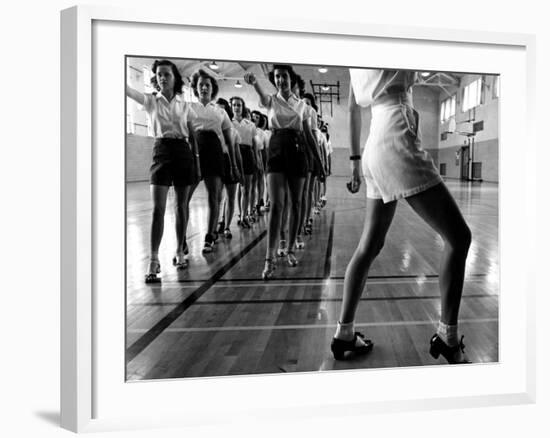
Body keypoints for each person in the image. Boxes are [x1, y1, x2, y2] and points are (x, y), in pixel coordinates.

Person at [331, 69, 472, 364]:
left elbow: (353, 107)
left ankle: (344, 333)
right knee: (459, 238)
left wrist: (356, 162)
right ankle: (447, 338)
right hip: (396, 132)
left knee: (369, 246)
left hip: (374, 141)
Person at [244, 65, 324, 279]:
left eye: (284, 76)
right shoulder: (271, 100)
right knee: (277, 204)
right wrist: (255, 84)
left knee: (296, 203)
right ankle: (269, 258)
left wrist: (319, 162)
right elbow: (261, 94)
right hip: (277, 149)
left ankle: (289, 249)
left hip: (297, 151)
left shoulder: (303, 107)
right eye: (277, 77)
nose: (281, 80)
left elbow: (309, 136)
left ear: (291, 79)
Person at [126, 60, 199, 282]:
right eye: (159, 74)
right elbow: (128, 91)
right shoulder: (150, 101)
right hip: (161, 151)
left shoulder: (185, 105)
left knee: (181, 206)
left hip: (183, 151)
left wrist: (197, 162)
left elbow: (193, 136)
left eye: (166, 74)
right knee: (158, 209)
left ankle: (179, 250)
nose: (162, 77)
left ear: (174, 78)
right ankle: (154, 259)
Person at [189, 69, 238, 253]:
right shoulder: (189, 107)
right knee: (184, 197)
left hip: (214, 151)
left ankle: (209, 236)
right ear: (195, 88)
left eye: (207, 85)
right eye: (200, 84)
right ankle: (181, 242)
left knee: (214, 196)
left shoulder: (220, 112)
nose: (203, 88)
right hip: (195, 149)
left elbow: (229, 140)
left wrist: (233, 165)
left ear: (213, 89)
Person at [215, 98, 243, 239]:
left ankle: (226, 226)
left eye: (222, 109)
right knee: (216, 197)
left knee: (230, 197)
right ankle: (213, 228)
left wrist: (239, 170)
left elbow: (237, 154)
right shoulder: (211, 128)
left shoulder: (233, 131)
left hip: (229, 162)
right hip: (217, 162)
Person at [230, 96, 258, 228]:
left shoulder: (250, 125)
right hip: (234, 154)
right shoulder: (228, 123)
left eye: (239, 105)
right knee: (235, 188)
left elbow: (254, 144)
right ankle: (237, 214)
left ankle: (244, 215)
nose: (236, 107)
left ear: (243, 107)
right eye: (234, 105)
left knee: (246, 187)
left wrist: (257, 159)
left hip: (247, 154)